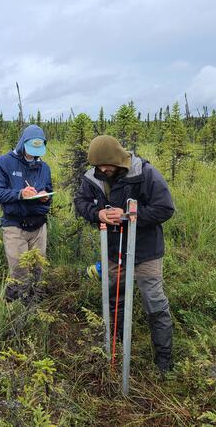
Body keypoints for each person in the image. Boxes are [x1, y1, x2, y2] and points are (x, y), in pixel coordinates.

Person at [75, 135, 175, 373]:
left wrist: (132, 215)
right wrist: (98, 213)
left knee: (155, 302)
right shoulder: (93, 178)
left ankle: (164, 361)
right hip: (113, 250)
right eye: (98, 165)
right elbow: (80, 201)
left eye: (106, 164)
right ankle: (115, 345)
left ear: (117, 159)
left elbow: (165, 207)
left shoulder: (145, 173)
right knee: (114, 297)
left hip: (145, 251)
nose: (102, 169)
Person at [0, 124, 53, 302]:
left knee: (38, 270)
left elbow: (49, 192)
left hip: (39, 227)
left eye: (38, 149)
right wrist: (20, 194)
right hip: (14, 227)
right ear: (22, 143)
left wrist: (44, 197)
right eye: (31, 149)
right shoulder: (4, 163)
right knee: (19, 273)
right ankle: (12, 310)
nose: (34, 153)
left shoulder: (44, 168)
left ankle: (35, 307)